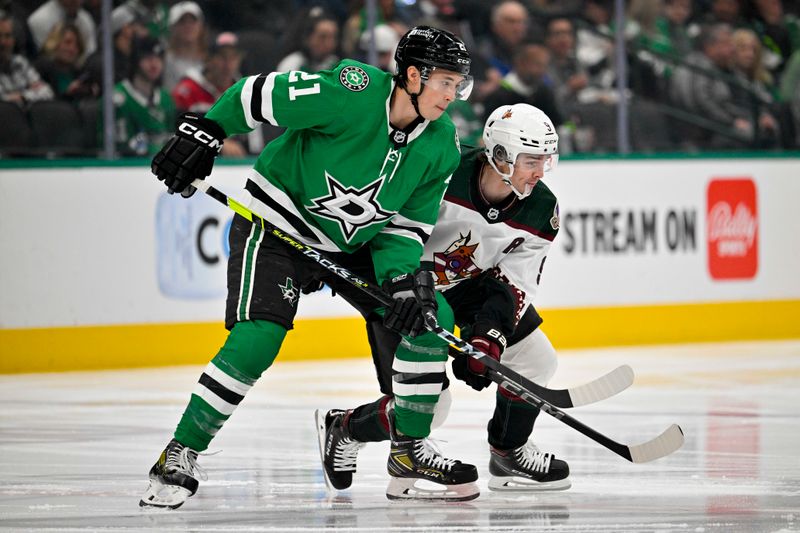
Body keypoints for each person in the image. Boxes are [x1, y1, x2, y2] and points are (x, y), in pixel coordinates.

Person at [142, 25, 476, 509]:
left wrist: (402, 283)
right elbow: (255, 93)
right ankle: (179, 452)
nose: (452, 95)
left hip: (356, 244)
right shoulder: (351, 91)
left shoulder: (442, 144)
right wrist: (209, 130)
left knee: (430, 319)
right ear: (411, 75)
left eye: (458, 84)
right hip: (279, 226)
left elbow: (403, 227)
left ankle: (408, 450)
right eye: (444, 81)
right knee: (259, 337)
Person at [317, 103, 570, 495]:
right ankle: (347, 427)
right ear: (500, 155)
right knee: (430, 408)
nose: (540, 172)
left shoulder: (541, 209)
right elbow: (385, 224)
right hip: (404, 285)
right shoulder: (443, 169)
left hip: (466, 285)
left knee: (535, 360)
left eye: (545, 161)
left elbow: (514, 283)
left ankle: (508, 451)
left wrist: (490, 336)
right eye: (531, 161)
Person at [112, 35, 175, 156]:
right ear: (136, 60)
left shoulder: (165, 98)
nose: (154, 64)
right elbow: (120, 147)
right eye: (148, 58)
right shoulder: (119, 99)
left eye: (158, 58)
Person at [0, 11, 54, 106]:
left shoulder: (20, 62)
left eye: (8, 36)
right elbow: (3, 103)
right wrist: (31, 91)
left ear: (13, 39)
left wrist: (22, 97)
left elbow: (47, 93)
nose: (3, 42)